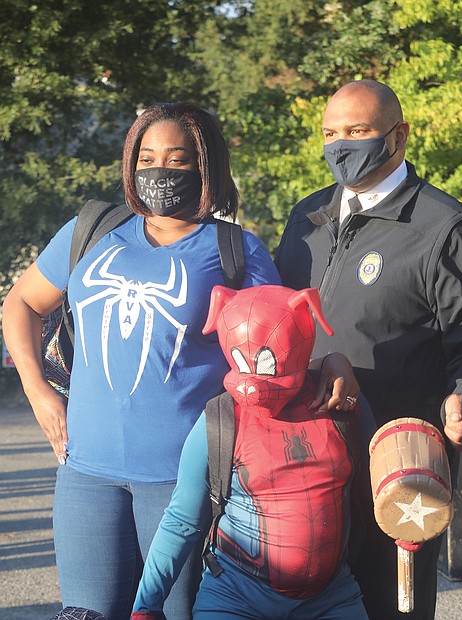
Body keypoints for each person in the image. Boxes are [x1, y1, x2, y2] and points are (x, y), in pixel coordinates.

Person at [1, 102, 286, 620]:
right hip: (85, 472)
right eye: (147, 157)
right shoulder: (90, 231)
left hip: (183, 481)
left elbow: (277, 350)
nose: (159, 170)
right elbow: (20, 304)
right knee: (86, 613)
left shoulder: (235, 250)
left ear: (206, 166)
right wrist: (38, 391)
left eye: (177, 159)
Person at [275, 80, 462, 620]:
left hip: (396, 467)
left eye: (357, 131)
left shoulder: (444, 227)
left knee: (390, 609)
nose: (340, 145)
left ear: (398, 135)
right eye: (330, 133)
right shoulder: (306, 219)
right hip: (301, 461)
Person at [131, 284, 375, 620]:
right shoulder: (219, 421)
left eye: (264, 362)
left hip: (332, 597)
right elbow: (181, 519)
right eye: (242, 362)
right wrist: (146, 605)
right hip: (234, 596)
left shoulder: (340, 403)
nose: (253, 381)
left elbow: (382, 485)